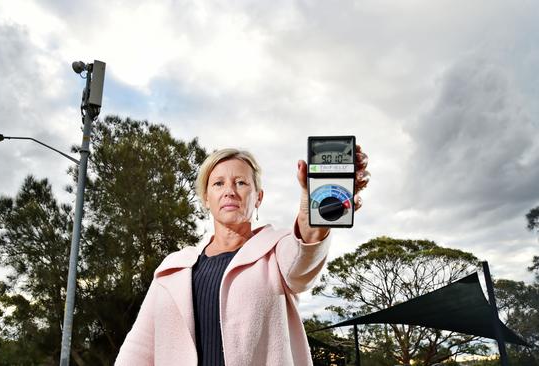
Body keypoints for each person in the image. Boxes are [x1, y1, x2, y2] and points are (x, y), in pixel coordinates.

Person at [116, 147, 369, 366]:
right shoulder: (172, 269)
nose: (229, 191)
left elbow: (302, 260)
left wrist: (314, 213)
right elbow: (138, 349)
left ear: (258, 197)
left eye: (241, 182)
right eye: (218, 183)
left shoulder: (276, 250)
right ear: (206, 198)